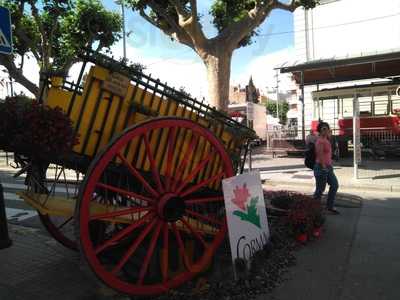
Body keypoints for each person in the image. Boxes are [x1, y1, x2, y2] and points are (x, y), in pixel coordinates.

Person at [313, 122, 339, 214]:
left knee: (335, 185)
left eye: (327, 128)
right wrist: (324, 167)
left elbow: (328, 153)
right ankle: (314, 209)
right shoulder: (320, 141)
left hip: (328, 167)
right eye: (323, 129)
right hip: (321, 167)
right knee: (320, 190)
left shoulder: (327, 139)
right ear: (319, 130)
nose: (326, 130)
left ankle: (329, 206)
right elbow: (319, 155)